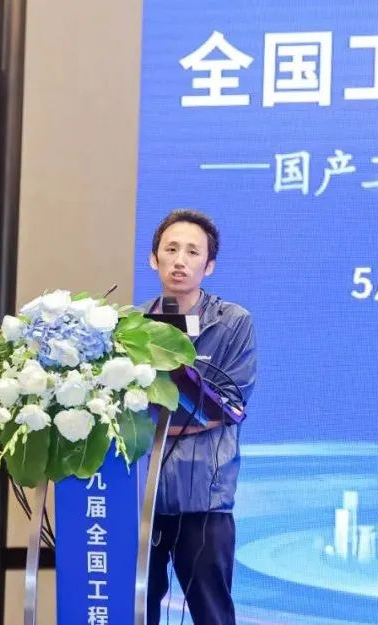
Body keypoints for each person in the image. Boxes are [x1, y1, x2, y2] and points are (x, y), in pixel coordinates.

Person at [141, 209, 256, 625]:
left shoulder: (233, 323)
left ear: (209, 266)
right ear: (153, 258)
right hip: (144, 497)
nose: (180, 260)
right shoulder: (131, 326)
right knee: (137, 608)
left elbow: (232, 402)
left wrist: (160, 414)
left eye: (192, 252)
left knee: (212, 613)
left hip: (205, 496)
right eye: (171, 249)